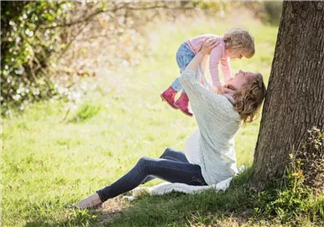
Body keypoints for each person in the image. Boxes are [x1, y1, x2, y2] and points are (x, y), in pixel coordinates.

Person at [75, 38, 266, 209]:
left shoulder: (221, 106)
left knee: (146, 164)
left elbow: (187, 79)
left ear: (245, 88)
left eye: (245, 74)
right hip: (216, 167)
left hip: (207, 176)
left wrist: (201, 52)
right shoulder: (229, 104)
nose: (240, 70)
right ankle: (127, 185)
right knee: (168, 154)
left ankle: (99, 197)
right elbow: (206, 87)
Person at [161, 28, 255, 116]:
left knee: (194, 77)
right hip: (186, 52)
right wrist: (217, 85)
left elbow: (225, 66)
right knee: (190, 76)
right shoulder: (219, 45)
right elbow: (213, 66)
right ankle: (171, 93)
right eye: (241, 55)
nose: (239, 58)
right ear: (236, 47)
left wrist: (228, 81)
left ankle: (183, 100)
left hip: (190, 53)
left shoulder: (224, 50)